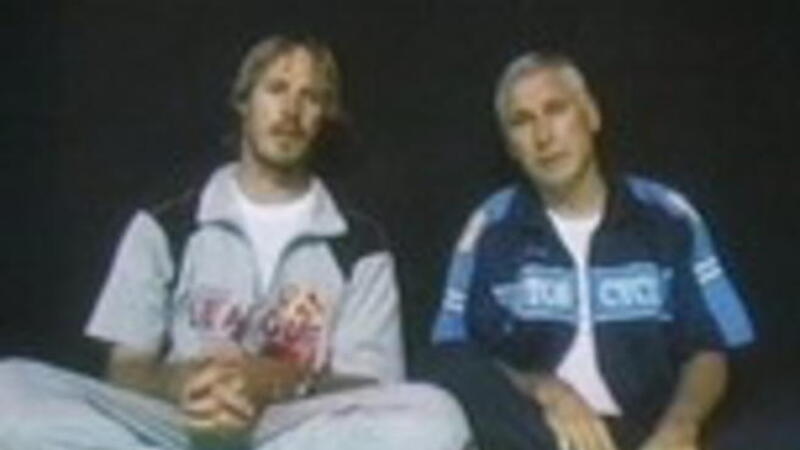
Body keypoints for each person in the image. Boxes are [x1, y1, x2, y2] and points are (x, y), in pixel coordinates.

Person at [0, 34, 470, 450]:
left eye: (310, 97)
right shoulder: (167, 224)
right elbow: (126, 369)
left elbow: (372, 386)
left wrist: (275, 382)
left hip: (294, 432)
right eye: (276, 89)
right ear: (244, 102)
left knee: (437, 420)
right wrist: (185, 383)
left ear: (324, 118)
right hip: (178, 424)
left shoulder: (360, 244)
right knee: (9, 391)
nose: (291, 111)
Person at [417, 52, 754, 450]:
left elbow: (710, 347)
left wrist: (682, 426)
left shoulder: (667, 216)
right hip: (526, 434)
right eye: (522, 121)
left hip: (642, 435)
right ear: (510, 146)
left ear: (591, 115)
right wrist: (546, 390)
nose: (544, 136)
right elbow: (451, 357)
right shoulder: (490, 228)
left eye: (555, 110)